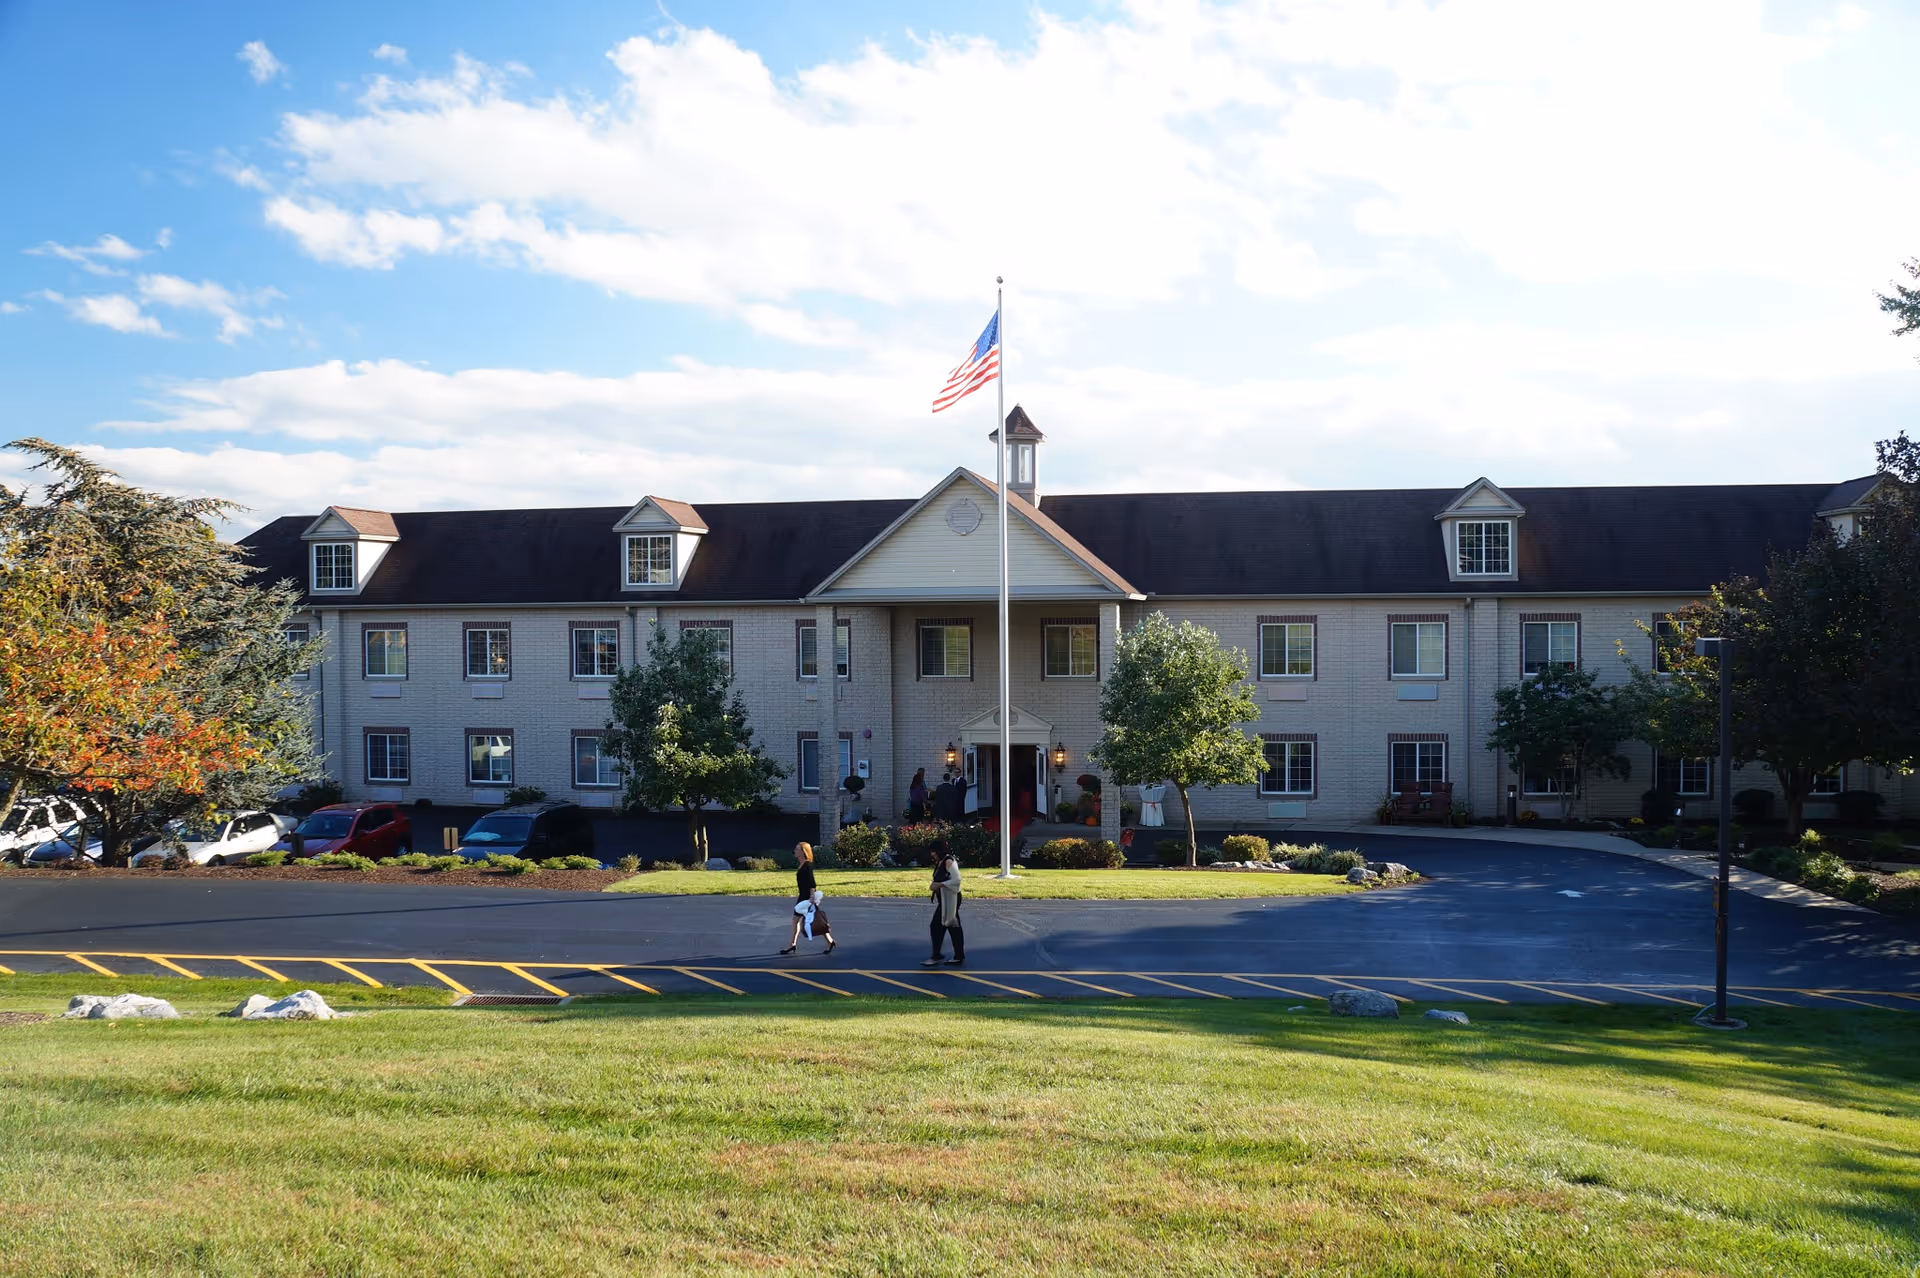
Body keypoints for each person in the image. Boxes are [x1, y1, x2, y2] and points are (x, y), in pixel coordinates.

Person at [781, 842, 835, 955]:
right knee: (814, 920)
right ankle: (830, 941)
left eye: (797, 849)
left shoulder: (807, 865)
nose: (795, 851)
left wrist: (812, 897)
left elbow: (812, 883)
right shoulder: (801, 864)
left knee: (804, 920)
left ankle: (792, 944)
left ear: (802, 851)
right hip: (803, 896)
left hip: (807, 898)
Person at [922, 843, 964, 967]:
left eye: (933, 851)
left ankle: (936, 955)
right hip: (945, 899)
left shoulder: (949, 861)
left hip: (951, 899)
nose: (932, 854)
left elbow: (957, 879)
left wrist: (939, 885)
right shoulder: (940, 862)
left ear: (938, 851)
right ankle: (959, 956)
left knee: (936, 926)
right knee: (953, 927)